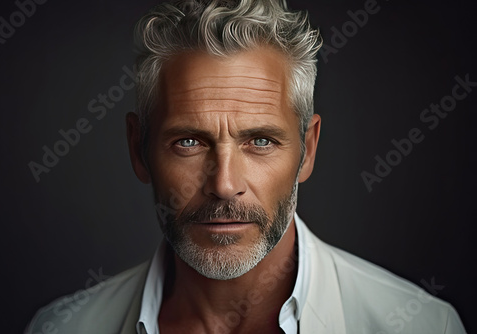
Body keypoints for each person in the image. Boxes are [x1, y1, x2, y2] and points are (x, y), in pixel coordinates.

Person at [26, 0, 467, 333]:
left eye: (260, 141)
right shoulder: (61, 327)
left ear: (307, 151)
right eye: (188, 141)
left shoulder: (423, 326)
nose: (223, 184)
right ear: (138, 150)